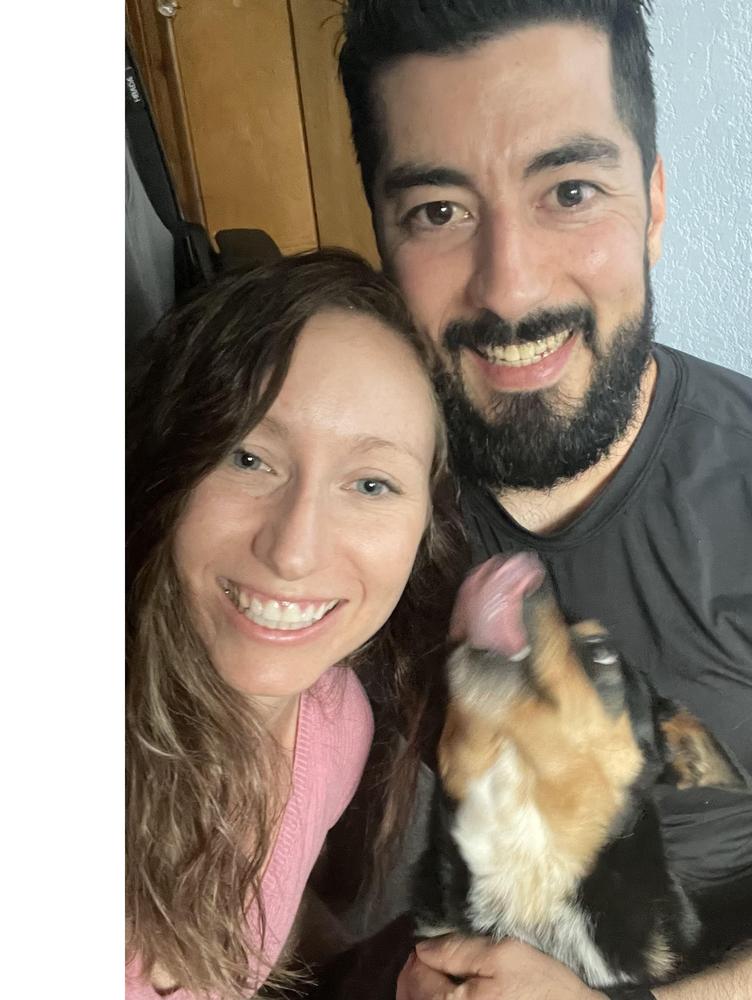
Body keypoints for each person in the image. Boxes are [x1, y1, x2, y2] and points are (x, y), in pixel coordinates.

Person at [336, 2, 752, 998]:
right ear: (379, 232)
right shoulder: (317, 504)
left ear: (654, 204)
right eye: (438, 211)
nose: (509, 288)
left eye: (570, 191)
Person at [125, 249, 461, 999]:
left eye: (370, 483)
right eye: (248, 458)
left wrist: (383, 979)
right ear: (170, 467)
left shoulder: (335, 725)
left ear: (424, 531)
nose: (293, 550)